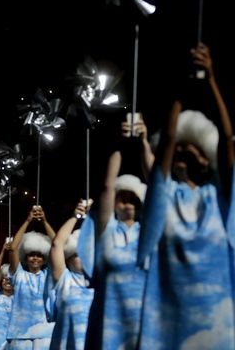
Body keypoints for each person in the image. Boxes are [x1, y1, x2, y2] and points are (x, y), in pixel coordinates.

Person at [137, 43, 235, 348]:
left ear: (208, 159)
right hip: (169, 327)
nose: (184, 150)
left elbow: (228, 140)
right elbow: (167, 139)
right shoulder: (165, 197)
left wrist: (211, 82)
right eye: (181, 146)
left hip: (216, 329)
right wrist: (183, 89)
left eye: (195, 148)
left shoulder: (218, 199)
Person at [83, 115, 152, 349]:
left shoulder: (149, 233)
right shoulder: (107, 230)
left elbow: (159, 188)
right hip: (109, 322)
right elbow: (108, 186)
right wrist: (119, 144)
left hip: (145, 321)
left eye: (133, 199)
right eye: (122, 198)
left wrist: (144, 143)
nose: (127, 203)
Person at [6, 204, 56, 349]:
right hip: (20, 334)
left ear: (44, 258)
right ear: (25, 257)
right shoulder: (19, 275)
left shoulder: (49, 276)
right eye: (31, 255)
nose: (35, 258)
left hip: (44, 333)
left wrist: (45, 221)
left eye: (39, 255)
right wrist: (28, 220)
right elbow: (13, 248)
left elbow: (57, 245)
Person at [47, 200, 94, 350]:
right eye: (76, 254)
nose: (82, 257)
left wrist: (96, 216)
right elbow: (57, 245)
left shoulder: (100, 280)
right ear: (68, 259)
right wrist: (76, 216)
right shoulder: (64, 278)